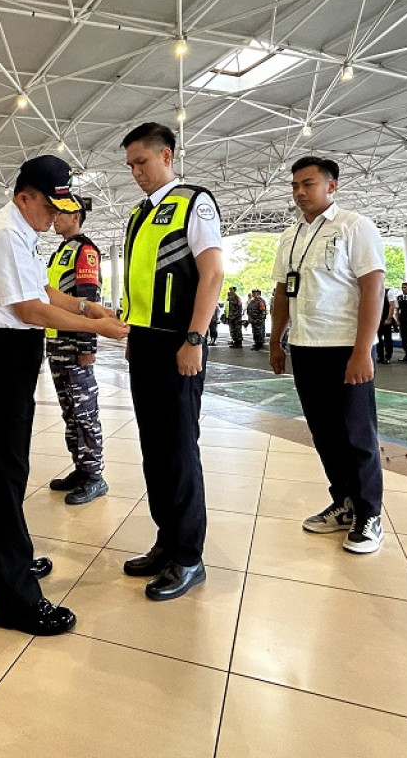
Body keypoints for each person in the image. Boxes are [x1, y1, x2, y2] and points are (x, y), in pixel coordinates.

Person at [0, 155, 128, 635]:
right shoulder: (4, 234)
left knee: (8, 468)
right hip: (1, 355)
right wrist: (97, 326)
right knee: (4, 470)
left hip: (14, 355)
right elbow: (31, 308)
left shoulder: (24, 233)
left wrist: (86, 304)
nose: (56, 216)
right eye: (50, 206)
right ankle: (13, 600)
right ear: (25, 197)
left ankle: (2, 566)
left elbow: (44, 292)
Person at [119, 122, 223, 601]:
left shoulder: (193, 202)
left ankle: (189, 556)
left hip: (178, 343)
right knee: (155, 448)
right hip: (144, 342)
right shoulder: (140, 214)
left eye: (142, 161)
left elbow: (212, 273)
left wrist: (195, 338)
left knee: (179, 448)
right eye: (131, 165)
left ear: (166, 154)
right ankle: (166, 539)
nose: (136, 172)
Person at [269, 156, 387, 554]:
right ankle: (345, 503)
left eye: (308, 184)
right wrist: (276, 340)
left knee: (358, 436)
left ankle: (370, 513)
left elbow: (373, 289)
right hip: (305, 347)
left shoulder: (354, 226)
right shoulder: (289, 236)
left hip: (344, 348)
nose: (300, 193)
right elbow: (282, 292)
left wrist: (363, 351)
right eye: (295, 186)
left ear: (331, 186)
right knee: (325, 434)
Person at [44, 197, 109, 505]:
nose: (55, 217)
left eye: (62, 213)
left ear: (77, 216)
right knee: (70, 412)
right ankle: (81, 469)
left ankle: (95, 476)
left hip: (74, 344)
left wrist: (87, 345)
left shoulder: (86, 251)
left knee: (85, 413)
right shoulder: (61, 251)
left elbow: (88, 300)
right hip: (57, 342)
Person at [395, 282, 407, 361]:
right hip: (402, 319)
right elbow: (397, 309)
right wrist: (397, 319)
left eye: (405, 287)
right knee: (404, 338)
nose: (403, 289)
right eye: (402, 287)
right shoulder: (399, 297)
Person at [376, 286, 395, 364]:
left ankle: (388, 356)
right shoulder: (375, 290)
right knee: (378, 338)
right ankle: (380, 356)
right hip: (377, 317)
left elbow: (392, 306)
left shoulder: (389, 292)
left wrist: (389, 318)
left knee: (387, 338)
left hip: (385, 317)